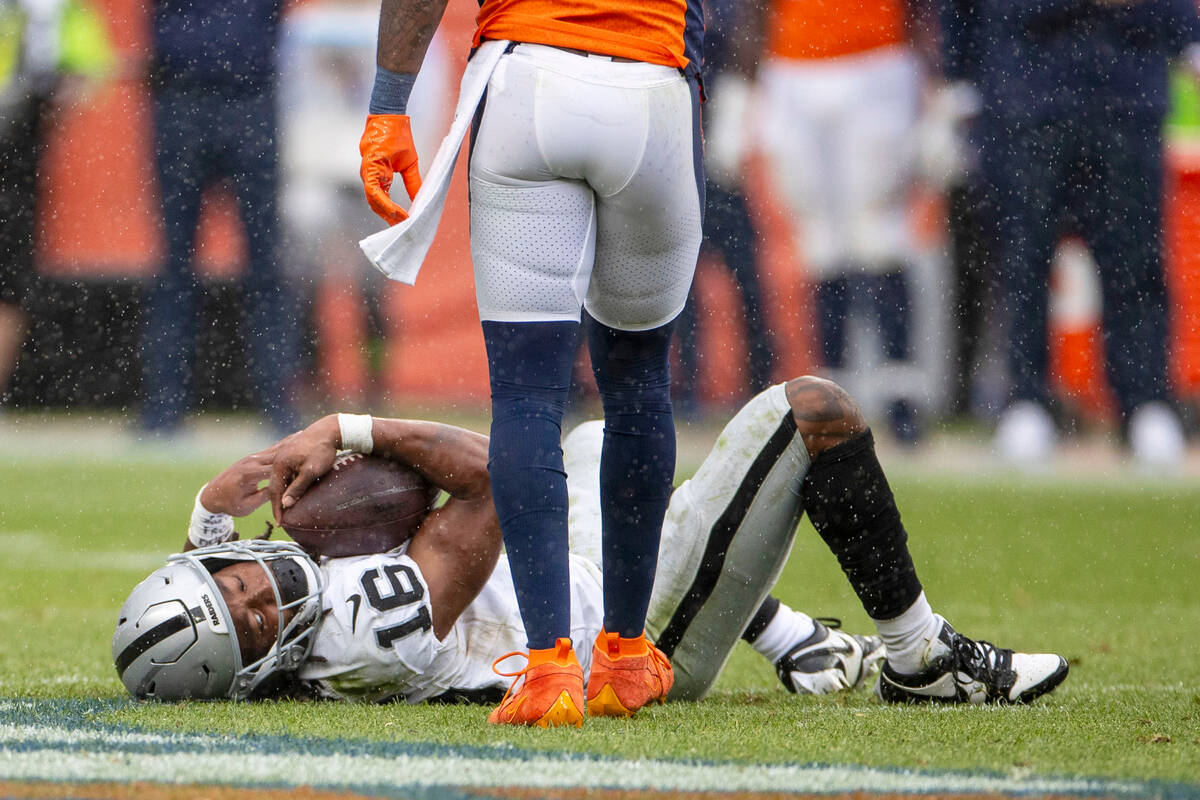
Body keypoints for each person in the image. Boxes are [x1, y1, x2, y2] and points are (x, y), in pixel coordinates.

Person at [113, 375, 1069, 713]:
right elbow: (497, 478)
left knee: (597, 444)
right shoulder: (360, 635)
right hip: (628, 630)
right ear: (255, 668)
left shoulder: (237, 580)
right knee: (811, 413)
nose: (256, 592)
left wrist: (209, 504)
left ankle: (786, 635)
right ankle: (921, 657)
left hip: (560, 572)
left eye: (232, 578)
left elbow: (205, 577)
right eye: (247, 623)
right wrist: (350, 429)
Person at [356, 1, 706, 725]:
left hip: (531, 78)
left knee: (526, 397)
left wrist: (389, 105)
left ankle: (549, 669)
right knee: (639, 387)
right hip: (651, 86)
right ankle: (625, 655)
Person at [954, 0, 1200, 466]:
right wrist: (957, 75)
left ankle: (1145, 402)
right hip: (1030, 95)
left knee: (1136, 258)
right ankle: (1027, 401)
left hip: (1128, 93)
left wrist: (1185, 35)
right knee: (1025, 258)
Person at [709, 0, 926, 445]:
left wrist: (942, 87)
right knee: (820, 245)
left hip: (878, 61)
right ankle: (834, 394)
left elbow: (924, 12)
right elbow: (756, 10)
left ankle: (903, 394)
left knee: (879, 237)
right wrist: (737, 95)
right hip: (793, 67)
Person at [142, 0, 301, 437]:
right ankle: (163, 409)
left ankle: (279, 406)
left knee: (265, 265)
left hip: (248, 98)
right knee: (175, 264)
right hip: (182, 97)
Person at [0, 0, 112, 403]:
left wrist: (42, 103)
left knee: (9, 284)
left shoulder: (56, 9)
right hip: (16, 154)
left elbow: (89, 70)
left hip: (14, 159)